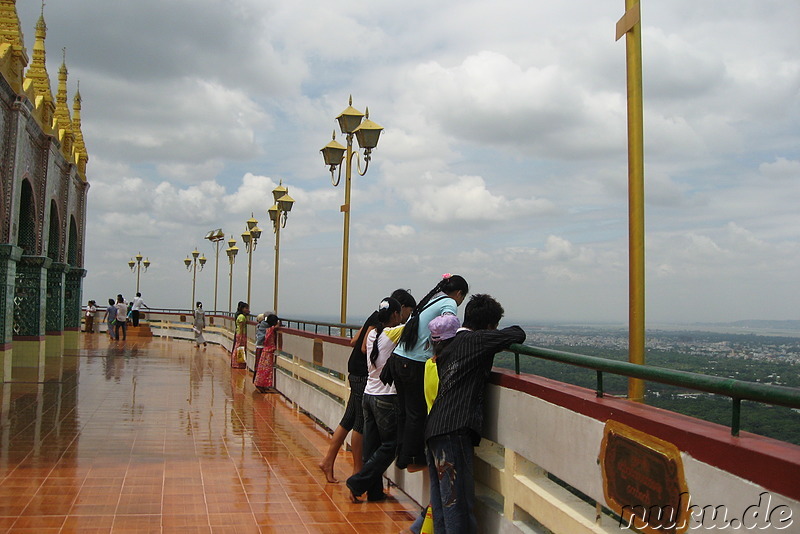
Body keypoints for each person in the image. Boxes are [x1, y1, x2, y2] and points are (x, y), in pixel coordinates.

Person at [424, 294, 525, 534]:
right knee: (457, 506)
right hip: (454, 429)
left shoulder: (449, 345)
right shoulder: (476, 340)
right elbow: (517, 334)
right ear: (489, 326)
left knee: (442, 506)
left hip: (434, 429)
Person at [318, 288, 416, 484]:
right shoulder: (383, 323)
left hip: (358, 372)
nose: (407, 317)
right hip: (366, 376)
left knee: (350, 419)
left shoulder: (377, 315)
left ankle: (329, 461)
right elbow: (362, 345)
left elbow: (355, 341)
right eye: (408, 312)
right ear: (400, 308)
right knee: (359, 424)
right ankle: (357, 471)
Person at [391, 274, 468, 471]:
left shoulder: (434, 299)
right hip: (414, 362)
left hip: (398, 358)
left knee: (404, 412)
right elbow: (449, 322)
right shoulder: (449, 302)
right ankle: (414, 460)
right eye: (463, 297)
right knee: (417, 413)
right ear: (459, 293)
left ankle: (401, 456)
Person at [346, 297, 404, 503]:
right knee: (391, 445)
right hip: (386, 397)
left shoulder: (372, 334)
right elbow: (415, 327)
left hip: (368, 395)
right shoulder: (393, 333)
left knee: (372, 447)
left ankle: (375, 492)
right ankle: (358, 482)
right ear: (396, 315)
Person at [254, 314, 280, 392]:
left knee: (262, 368)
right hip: (267, 352)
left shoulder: (263, 327)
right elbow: (274, 329)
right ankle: (261, 384)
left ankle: (262, 384)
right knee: (266, 370)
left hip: (265, 351)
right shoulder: (269, 329)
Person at [231, 301, 249, 369]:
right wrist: (241, 335)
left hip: (239, 333)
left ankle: (237, 362)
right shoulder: (241, 317)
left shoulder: (239, 315)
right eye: (246, 308)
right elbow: (241, 326)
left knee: (238, 347)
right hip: (241, 333)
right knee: (239, 347)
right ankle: (237, 363)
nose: (247, 309)